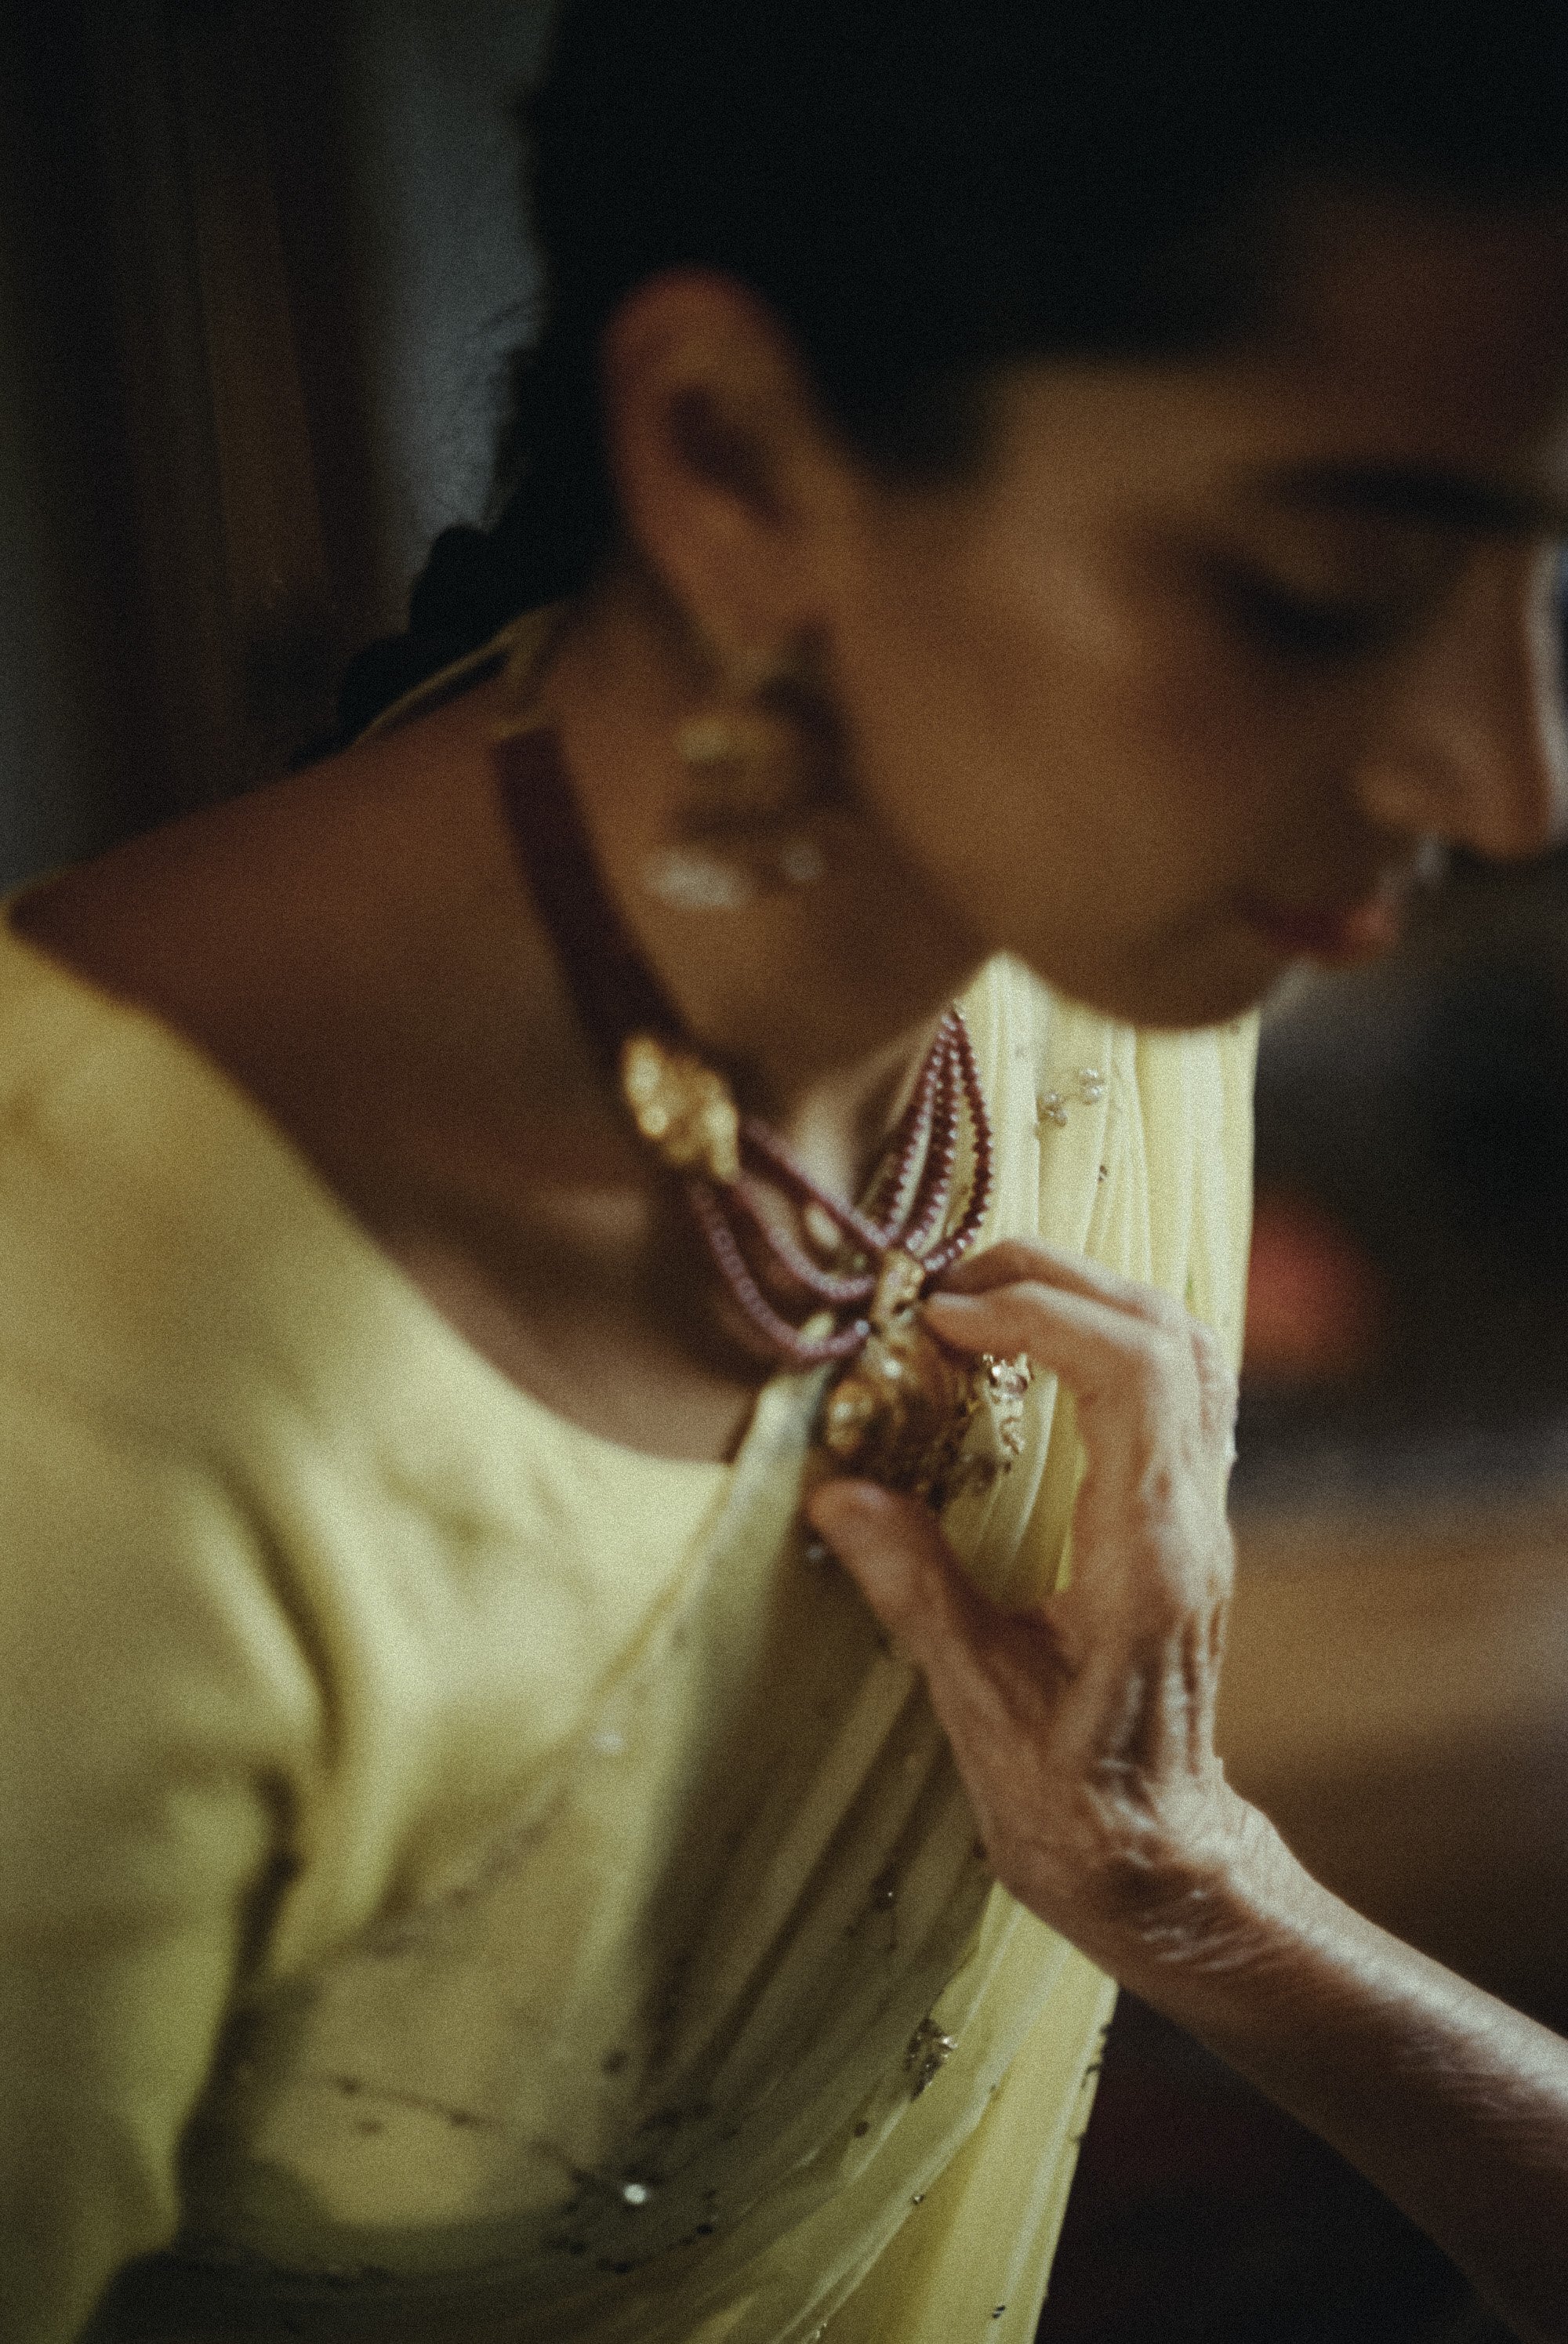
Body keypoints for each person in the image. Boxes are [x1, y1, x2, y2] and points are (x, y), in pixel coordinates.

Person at [4, 2, 1568, 2339]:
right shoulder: (84, 1371)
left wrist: (1201, 1891)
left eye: (1547, 577)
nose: (1513, 778)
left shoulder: (1098, 936)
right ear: (731, 457)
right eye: (1320, 596)